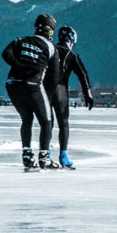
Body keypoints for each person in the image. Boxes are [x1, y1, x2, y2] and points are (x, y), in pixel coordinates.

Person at [1, 13, 60, 170]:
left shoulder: (20, 40)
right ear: (50, 31)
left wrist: (19, 66)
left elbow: (6, 54)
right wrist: (47, 97)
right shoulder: (51, 48)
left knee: (26, 119)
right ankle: (44, 158)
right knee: (46, 121)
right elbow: (54, 77)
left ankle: (27, 156)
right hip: (32, 85)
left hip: (12, 85)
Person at [50, 26, 93, 169]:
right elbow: (83, 75)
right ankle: (63, 157)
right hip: (60, 90)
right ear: (72, 39)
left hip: (45, 89)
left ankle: (45, 154)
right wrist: (87, 94)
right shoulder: (72, 55)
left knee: (47, 123)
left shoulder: (50, 49)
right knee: (63, 123)